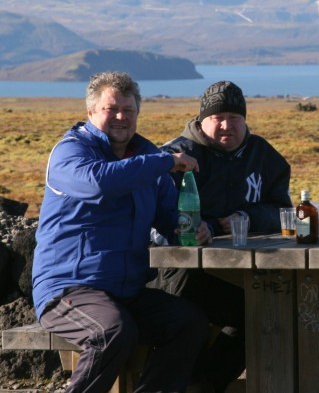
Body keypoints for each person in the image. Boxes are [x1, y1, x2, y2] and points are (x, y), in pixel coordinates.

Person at [32, 71, 210, 393]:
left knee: (189, 321)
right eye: (110, 109)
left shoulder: (147, 159)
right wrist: (163, 163)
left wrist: (196, 229)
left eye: (128, 111)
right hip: (68, 289)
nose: (120, 117)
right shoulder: (70, 153)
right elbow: (99, 182)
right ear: (90, 112)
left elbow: (171, 219)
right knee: (112, 330)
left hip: (125, 291)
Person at [152, 80, 292, 392]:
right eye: (218, 118)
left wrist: (244, 218)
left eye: (235, 118)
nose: (227, 125)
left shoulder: (263, 156)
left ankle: (204, 384)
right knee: (190, 319)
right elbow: (155, 220)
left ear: (245, 120)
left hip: (244, 272)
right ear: (202, 120)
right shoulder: (177, 156)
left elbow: (282, 210)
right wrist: (188, 227)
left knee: (265, 312)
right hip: (184, 272)